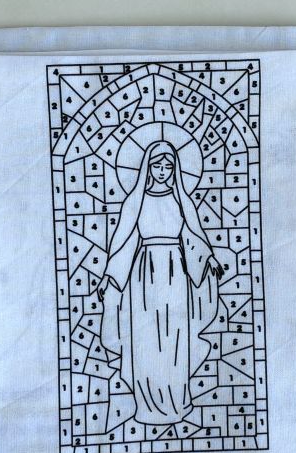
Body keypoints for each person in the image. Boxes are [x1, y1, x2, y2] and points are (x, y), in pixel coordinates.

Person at [96, 137, 225, 426]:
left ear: (175, 168)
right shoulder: (136, 201)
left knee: (174, 339)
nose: (163, 171)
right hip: (144, 277)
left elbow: (193, 235)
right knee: (145, 339)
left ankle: (176, 401)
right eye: (157, 166)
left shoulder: (181, 200)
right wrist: (110, 276)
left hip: (176, 274)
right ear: (148, 167)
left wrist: (208, 258)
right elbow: (125, 241)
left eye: (168, 166)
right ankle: (147, 406)